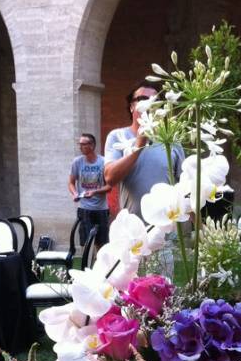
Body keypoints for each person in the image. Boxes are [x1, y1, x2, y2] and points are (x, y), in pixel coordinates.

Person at [104, 81, 184, 219]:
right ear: (131, 107)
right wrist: (139, 145)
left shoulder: (172, 140)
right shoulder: (117, 136)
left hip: (168, 227)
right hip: (133, 227)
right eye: (142, 99)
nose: (149, 104)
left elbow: (184, 186)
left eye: (155, 101)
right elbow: (110, 178)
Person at [68, 133, 111, 247]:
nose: (80, 146)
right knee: (86, 245)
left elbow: (109, 186)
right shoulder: (77, 162)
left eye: (83, 144)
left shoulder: (104, 162)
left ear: (91, 145)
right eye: (79, 144)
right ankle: (88, 265)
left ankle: (101, 264)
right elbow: (71, 183)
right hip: (84, 209)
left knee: (102, 244)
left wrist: (95, 192)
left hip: (101, 209)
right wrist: (75, 193)